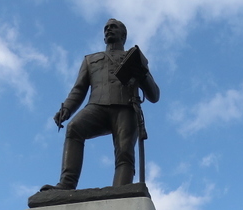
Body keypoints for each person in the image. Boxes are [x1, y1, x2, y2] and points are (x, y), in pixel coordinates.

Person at [43, 19, 160, 190]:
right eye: (106, 28)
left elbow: (154, 95)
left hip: (126, 108)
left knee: (125, 152)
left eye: (114, 27)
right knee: (74, 128)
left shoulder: (134, 59)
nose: (108, 30)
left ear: (123, 35)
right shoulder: (90, 60)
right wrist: (66, 108)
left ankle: (120, 191)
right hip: (97, 106)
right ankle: (67, 184)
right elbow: (79, 89)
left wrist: (141, 74)